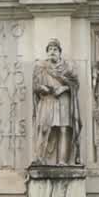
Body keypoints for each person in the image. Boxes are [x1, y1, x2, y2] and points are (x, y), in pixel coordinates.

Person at [32, 38, 81, 166]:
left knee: (64, 129)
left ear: (59, 52)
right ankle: (40, 158)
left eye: (55, 49)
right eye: (50, 49)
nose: (52, 52)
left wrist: (64, 88)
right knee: (44, 128)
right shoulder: (41, 67)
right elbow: (36, 86)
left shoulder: (67, 67)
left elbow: (75, 84)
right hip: (47, 99)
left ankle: (62, 161)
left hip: (64, 100)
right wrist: (46, 88)